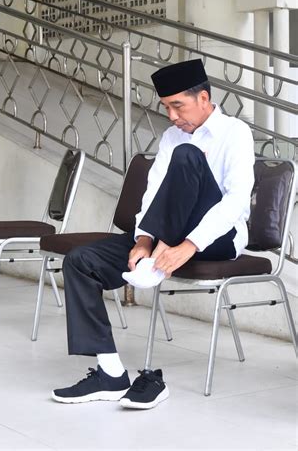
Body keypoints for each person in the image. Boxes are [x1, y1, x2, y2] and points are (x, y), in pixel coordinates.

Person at [52, 59, 255, 410]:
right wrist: (145, 239)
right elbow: (153, 191)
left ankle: (157, 257)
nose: (173, 116)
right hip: (164, 238)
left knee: (188, 156)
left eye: (179, 106)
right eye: (167, 108)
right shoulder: (171, 137)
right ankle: (111, 373)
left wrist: (187, 246)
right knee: (80, 261)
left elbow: (235, 202)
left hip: (215, 239)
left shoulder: (234, 132)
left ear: (204, 98)